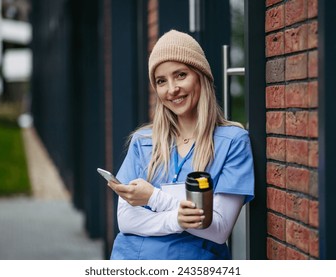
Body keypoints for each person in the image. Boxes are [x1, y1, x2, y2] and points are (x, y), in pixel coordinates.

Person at [107, 29, 254, 260]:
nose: (172, 89)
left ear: (201, 75)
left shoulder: (232, 142)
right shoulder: (143, 142)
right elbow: (126, 220)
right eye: (161, 81)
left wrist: (153, 199)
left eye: (181, 75)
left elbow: (218, 229)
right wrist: (177, 218)